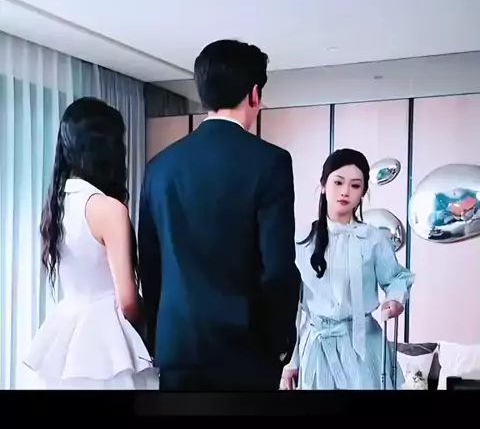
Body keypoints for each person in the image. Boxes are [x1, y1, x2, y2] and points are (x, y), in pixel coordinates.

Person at [138, 39, 300, 391]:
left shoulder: (159, 167)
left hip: (178, 348)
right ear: (254, 95)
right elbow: (277, 269)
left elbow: (149, 266)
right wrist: (281, 340)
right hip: (248, 349)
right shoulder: (270, 162)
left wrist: (158, 338)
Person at [24, 97, 158, 390]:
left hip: (67, 326)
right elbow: (127, 300)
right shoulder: (108, 209)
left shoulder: (56, 203)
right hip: (107, 335)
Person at [281, 148, 414, 390]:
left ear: (363, 192)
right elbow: (293, 307)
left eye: (355, 185)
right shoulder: (301, 241)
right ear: (323, 185)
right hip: (316, 348)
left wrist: (395, 300)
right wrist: (291, 361)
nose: (345, 191)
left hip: (363, 345)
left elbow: (396, 277)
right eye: (338, 182)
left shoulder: (373, 239)